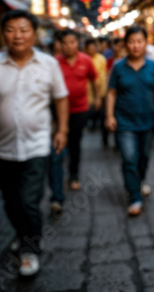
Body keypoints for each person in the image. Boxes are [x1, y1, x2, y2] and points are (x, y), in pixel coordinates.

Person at [0, 10, 68, 277]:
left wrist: (61, 129)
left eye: (24, 29)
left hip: (38, 145)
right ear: (4, 34)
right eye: (11, 30)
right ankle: (21, 232)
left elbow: (60, 98)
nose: (17, 35)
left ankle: (30, 249)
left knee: (29, 200)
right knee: (10, 200)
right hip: (2, 147)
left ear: (33, 33)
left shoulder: (48, 64)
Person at [105, 25, 154, 216]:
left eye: (139, 41)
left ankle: (138, 181)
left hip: (147, 121)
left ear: (146, 43)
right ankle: (134, 196)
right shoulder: (118, 67)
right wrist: (109, 116)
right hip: (124, 122)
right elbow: (111, 93)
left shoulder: (153, 66)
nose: (135, 45)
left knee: (144, 157)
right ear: (125, 44)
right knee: (129, 158)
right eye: (131, 41)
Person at [50, 30, 99, 206]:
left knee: (74, 143)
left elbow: (94, 79)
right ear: (60, 45)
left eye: (72, 42)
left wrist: (97, 98)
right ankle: (57, 182)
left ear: (77, 43)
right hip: (57, 111)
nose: (68, 46)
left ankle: (73, 174)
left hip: (80, 109)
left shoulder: (85, 60)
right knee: (57, 145)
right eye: (65, 42)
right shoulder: (54, 62)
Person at [85, 39, 108, 135]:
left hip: (102, 90)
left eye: (93, 48)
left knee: (102, 112)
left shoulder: (101, 59)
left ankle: (101, 129)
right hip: (88, 91)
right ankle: (93, 124)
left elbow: (105, 74)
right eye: (89, 49)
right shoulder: (85, 59)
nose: (91, 51)